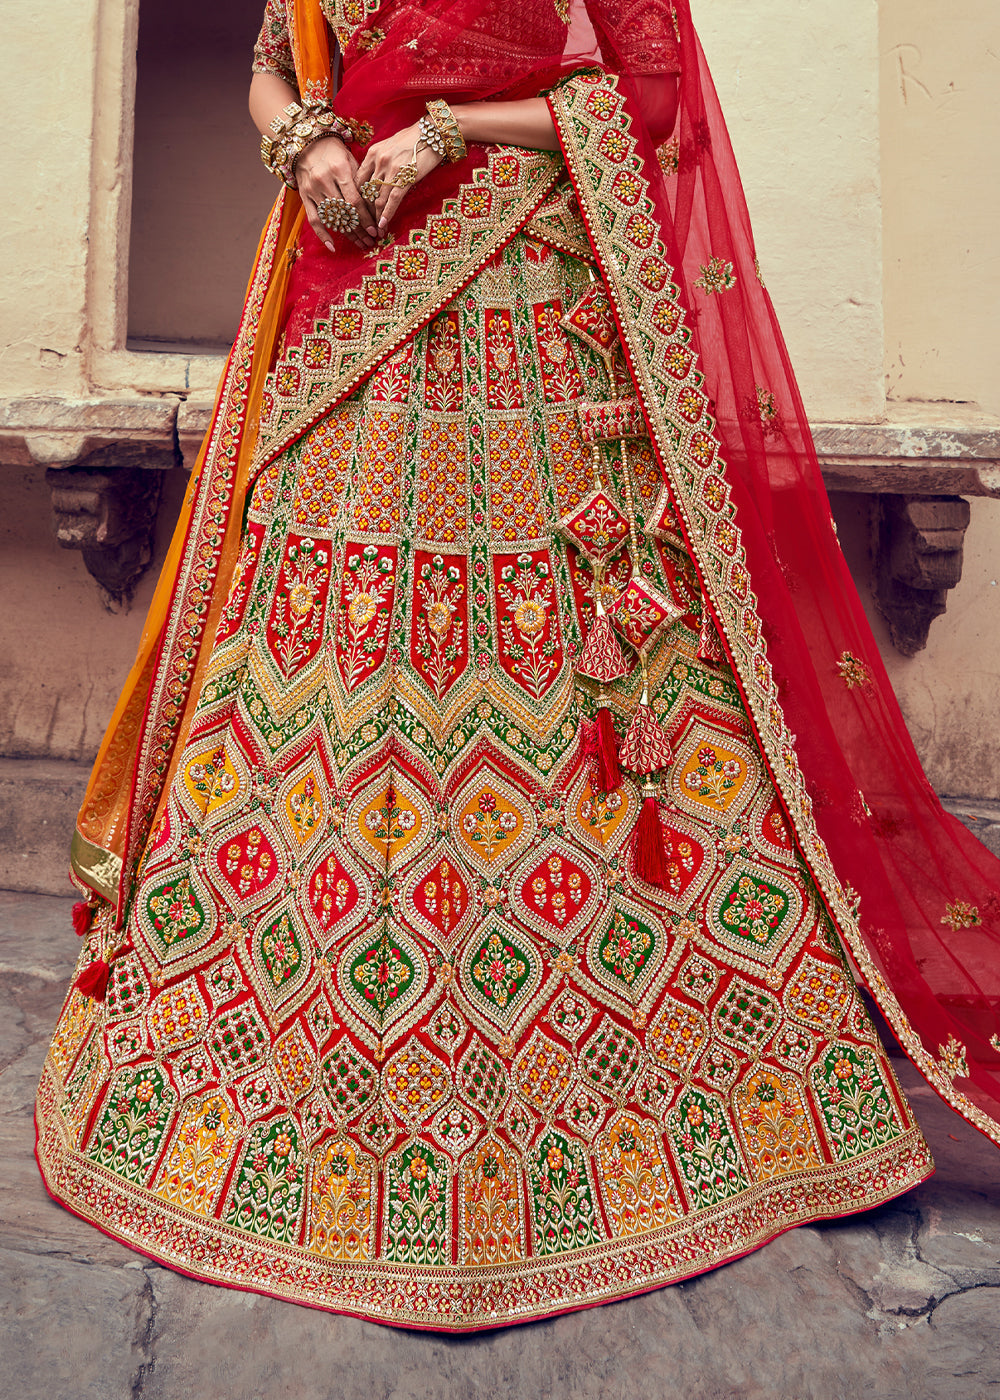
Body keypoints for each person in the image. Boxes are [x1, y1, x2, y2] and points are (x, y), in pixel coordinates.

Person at [35, 0, 1000, 1331]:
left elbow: (643, 106)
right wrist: (307, 141)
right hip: (346, 304)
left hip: (528, 301)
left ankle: (653, 1082)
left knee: (565, 672)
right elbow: (271, 66)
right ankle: (283, 1061)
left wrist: (445, 131)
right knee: (335, 657)